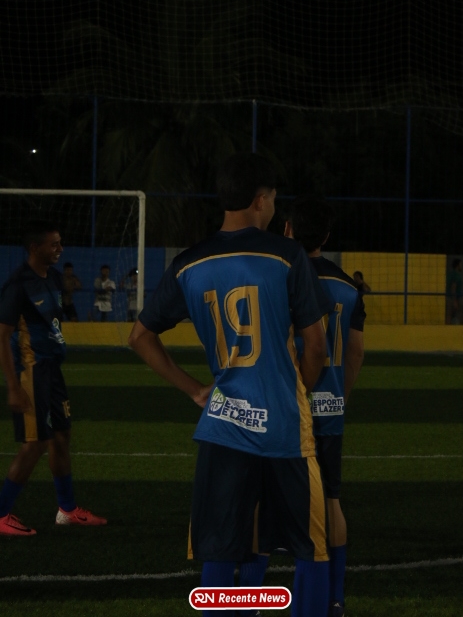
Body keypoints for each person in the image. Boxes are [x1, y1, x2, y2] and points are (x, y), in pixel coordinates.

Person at [128, 153, 332, 617]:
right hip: (283, 426)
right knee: (310, 546)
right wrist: (296, 389)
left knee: (221, 546)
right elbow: (316, 346)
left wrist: (194, 389)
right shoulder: (286, 255)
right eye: (273, 199)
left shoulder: (189, 263)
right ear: (260, 200)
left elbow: (139, 337)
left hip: (224, 423)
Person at [285, 197, 365, 617]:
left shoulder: (281, 276)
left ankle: (249, 597)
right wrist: (340, 396)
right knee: (331, 499)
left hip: (286, 407)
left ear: (288, 229)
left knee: (264, 500)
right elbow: (355, 353)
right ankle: (334, 598)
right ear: (327, 236)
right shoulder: (348, 287)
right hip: (329, 407)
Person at [0, 220, 106, 536]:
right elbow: (2, 336)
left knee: (61, 436)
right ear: (35, 248)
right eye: (54, 244)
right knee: (35, 444)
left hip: (52, 370)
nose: (60, 248)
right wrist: (13, 386)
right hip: (31, 370)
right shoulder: (18, 284)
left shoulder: (55, 278)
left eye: (60, 242)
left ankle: (67, 510)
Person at [446, 258, 463, 324]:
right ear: (457, 266)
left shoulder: (450, 274)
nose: (461, 266)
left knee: (449, 314)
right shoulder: (456, 275)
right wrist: (455, 300)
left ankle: (448, 328)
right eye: (460, 265)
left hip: (449, 297)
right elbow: (453, 287)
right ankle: (461, 326)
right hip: (456, 297)